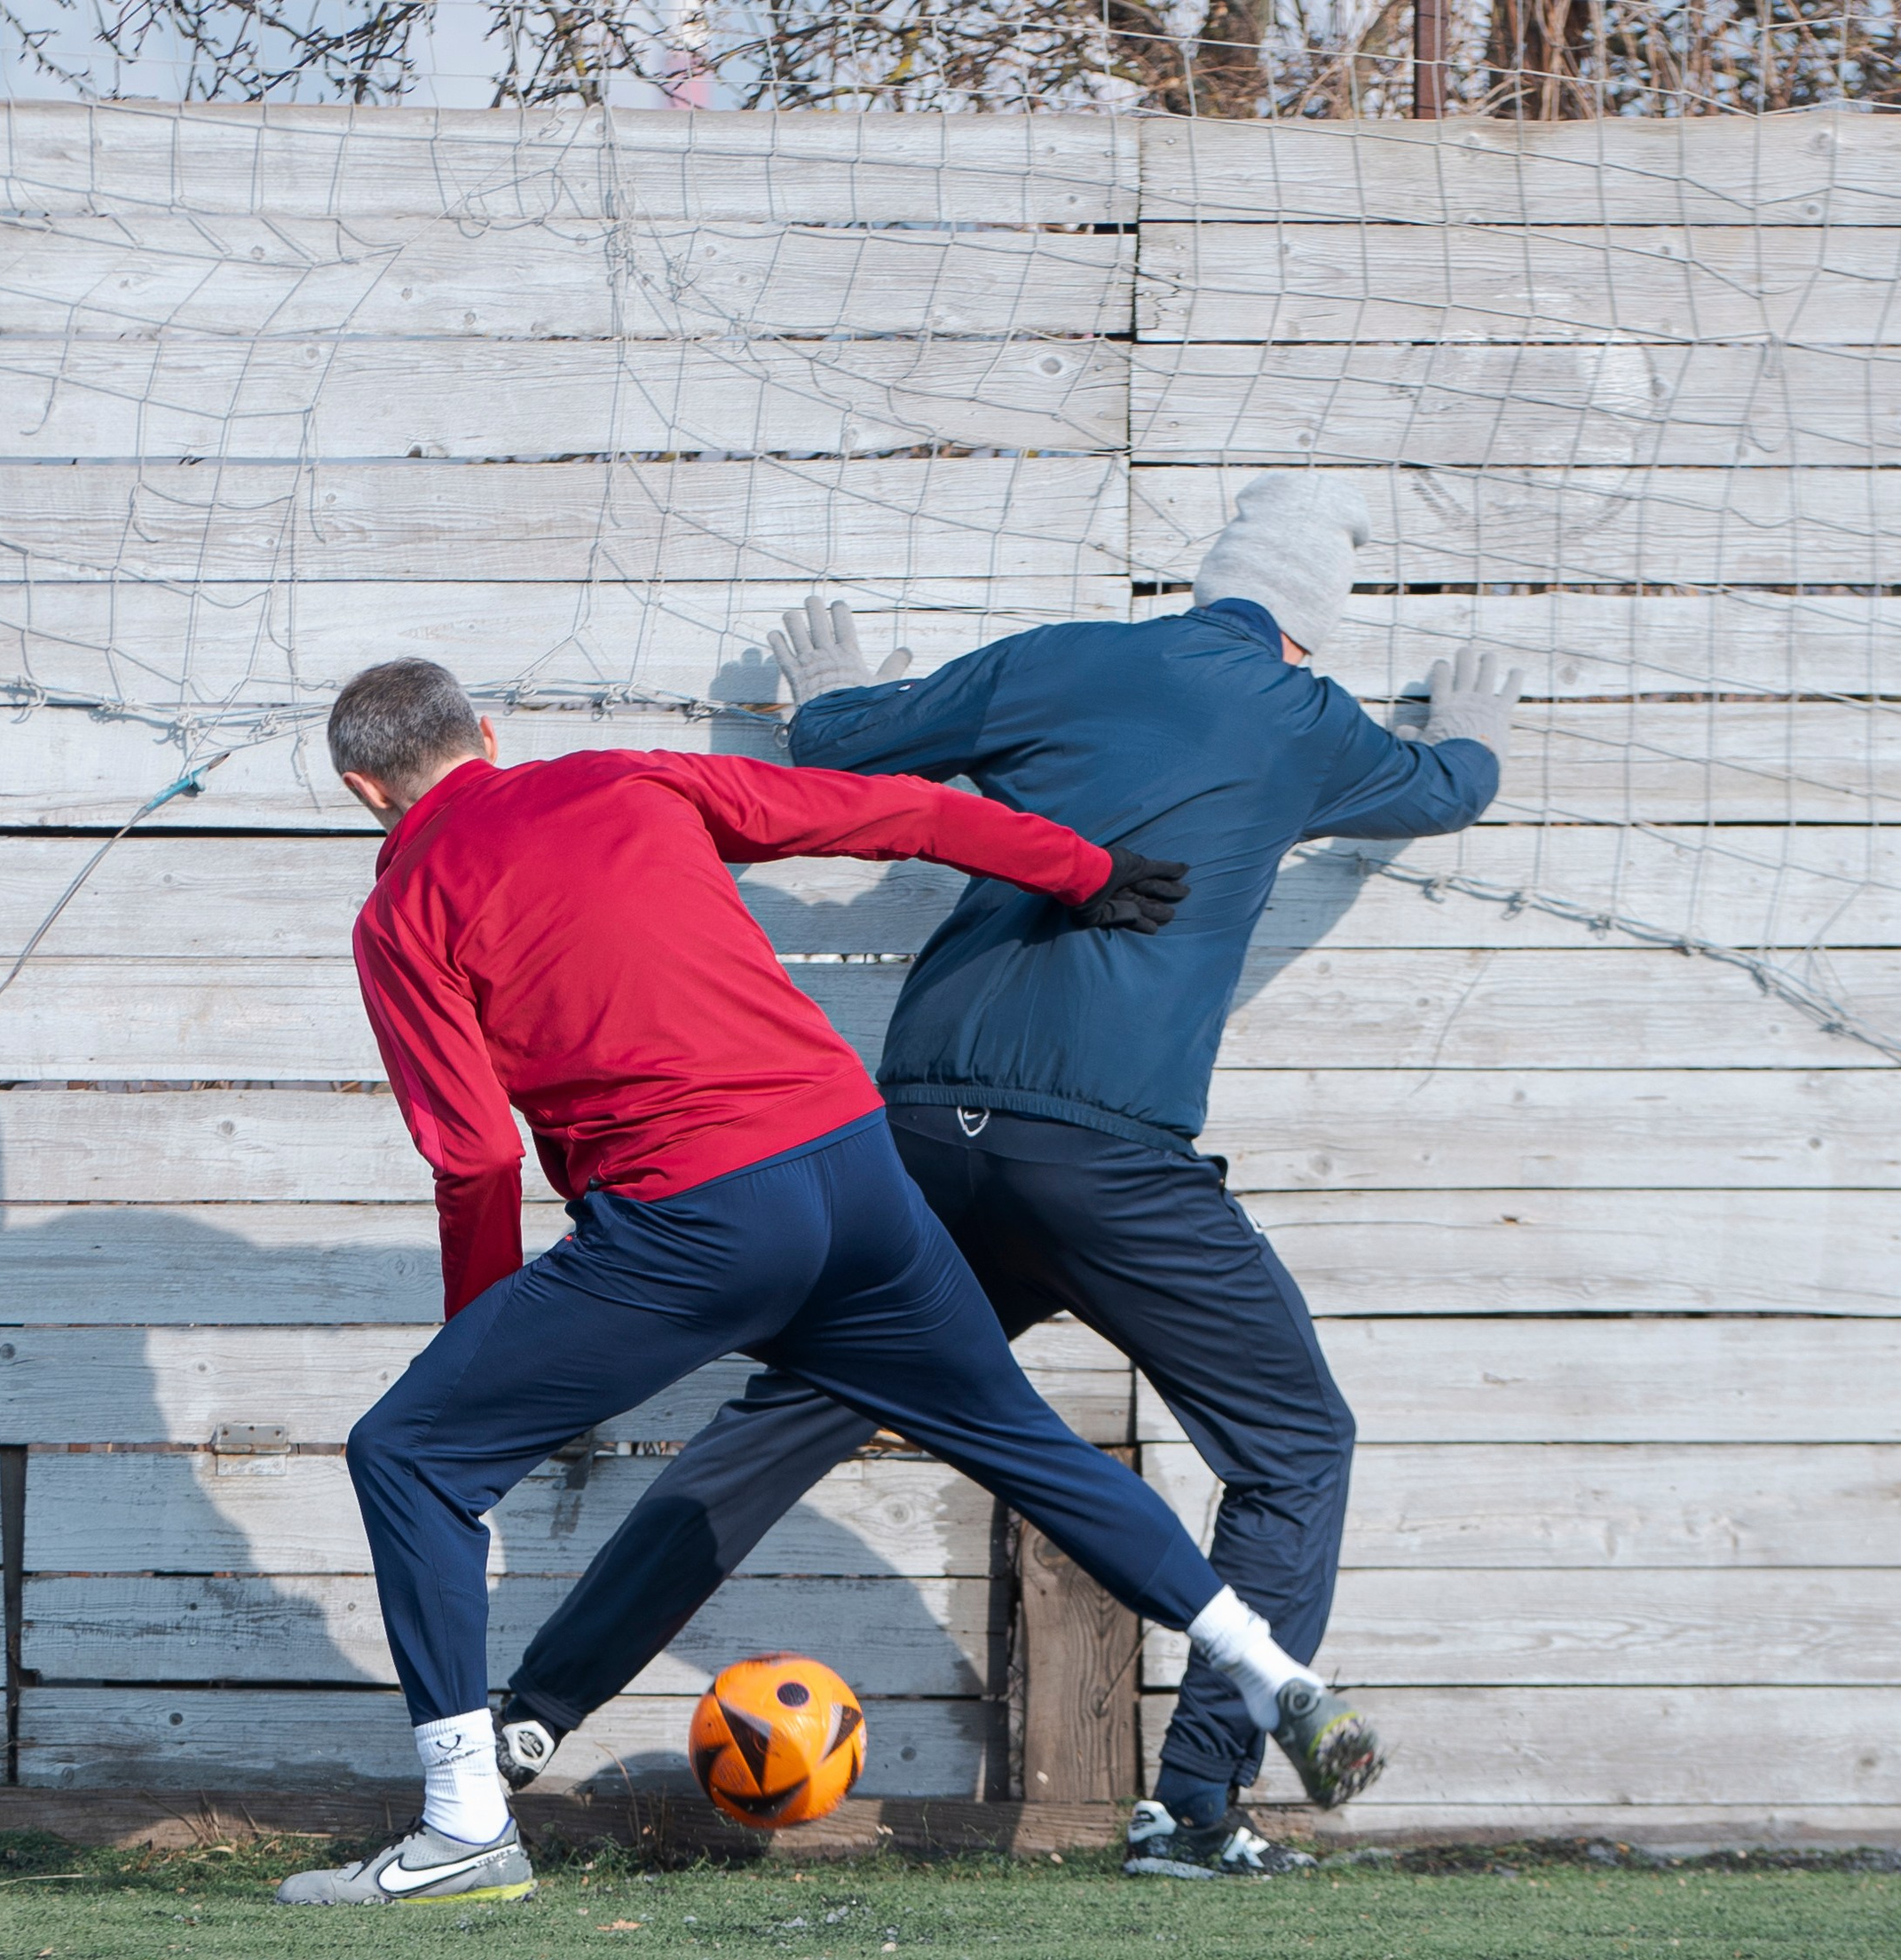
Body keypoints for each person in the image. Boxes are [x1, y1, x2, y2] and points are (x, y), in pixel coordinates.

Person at [495, 472, 1519, 1880]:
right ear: (1308, 631)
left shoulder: (1074, 657)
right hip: (1104, 1160)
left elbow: (856, 743)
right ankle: (1195, 1808)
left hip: (921, 1124)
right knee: (1294, 1449)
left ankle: (529, 1721)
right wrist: (1464, 734)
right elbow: (1445, 793)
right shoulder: (1308, 723)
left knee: (780, 1424)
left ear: (1209, 586)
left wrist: (832, 692)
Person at [275, 650, 1384, 1908]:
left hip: (692, 1213)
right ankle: (1263, 1664)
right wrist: (1084, 871)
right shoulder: (631, 780)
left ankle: (466, 1825)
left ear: (368, 791)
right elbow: (888, 812)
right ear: (487, 731)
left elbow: (471, 1153)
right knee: (1024, 1442)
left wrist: (484, 1343)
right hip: (856, 1178)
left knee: (410, 1454)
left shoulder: (402, 910)